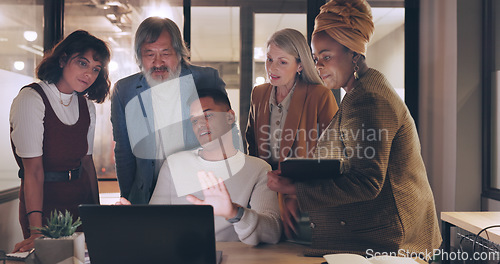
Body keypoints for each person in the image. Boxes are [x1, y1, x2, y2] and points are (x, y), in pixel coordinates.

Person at [267, 0, 442, 258]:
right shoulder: (360, 92)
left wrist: (295, 190)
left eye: (327, 57)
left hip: (389, 247)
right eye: (316, 59)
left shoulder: (369, 99)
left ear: (355, 54)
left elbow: (366, 181)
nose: (319, 66)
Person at [118, 89, 281, 245]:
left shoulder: (258, 169)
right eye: (194, 120)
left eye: (208, 115)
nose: (200, 124)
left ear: (230, 117)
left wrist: (234, 212)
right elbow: (155, 224)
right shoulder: (174, 164)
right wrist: (134, 220)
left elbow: (272, 233)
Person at [10, 30, 111, 252]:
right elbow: (33, 171)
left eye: (96, 69)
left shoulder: (87, 106)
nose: (89, 74)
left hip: (79, 203)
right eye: (82, 63)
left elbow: (87, 164)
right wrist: (36, 231)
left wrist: (97, 217)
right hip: (43, 206)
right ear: (63, 59)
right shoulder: (31, 98)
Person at [111, 17, 226, 204]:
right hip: (147, 194)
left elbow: (226, 135)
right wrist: (128, 199)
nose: (158, 63)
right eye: (149, 54)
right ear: (139, 56)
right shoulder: (124, 90)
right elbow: (123, 150)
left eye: (165, 53)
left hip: (199, 191)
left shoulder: (206, 79)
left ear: (179, 53)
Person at [245, 28, 337, 242]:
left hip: (304, 193)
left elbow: (332, 155)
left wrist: (296, 192)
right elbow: (251, 144)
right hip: (265, 190)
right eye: (269, 59)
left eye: (282, 62)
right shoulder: (258, 94)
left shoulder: (320, 95)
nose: (272, 68)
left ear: (300, 65)